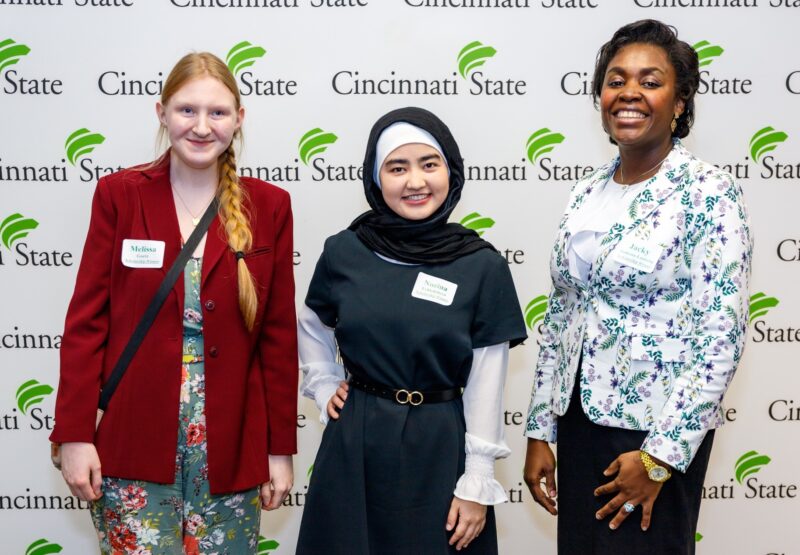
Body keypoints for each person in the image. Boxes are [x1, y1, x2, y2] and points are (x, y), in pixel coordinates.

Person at [49, 52, 298, 554]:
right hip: (133, 437)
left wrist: (279, 450)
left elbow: (277, 339)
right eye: (187, 110)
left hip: (231, 445)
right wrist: (75, 434)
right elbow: (86, 324)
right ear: (161, 112)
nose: (202, 126)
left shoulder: (269, 205)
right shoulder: (121, 195)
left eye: (218, 112)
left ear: (239, 118)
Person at [523, 19, 752, 555]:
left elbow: (721, 336)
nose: (629, 92)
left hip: (651, 435)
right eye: (616, 79)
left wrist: (659, 457)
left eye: (650, 81)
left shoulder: (708, 193)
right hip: (579, 423)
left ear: (679, 102)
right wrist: (542, 429)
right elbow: (562, 315)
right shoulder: (587, 192)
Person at [295, 107, 527, 554]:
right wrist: (323, 383)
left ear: (451, 171)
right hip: (356, 438)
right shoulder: (344, 251)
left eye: (429, 164)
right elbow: (311, 323)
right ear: (376, 178)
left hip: (440, 443)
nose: (415, 182)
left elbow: (487, 377)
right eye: (397, 168)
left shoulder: (482, 264)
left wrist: (477, 478)